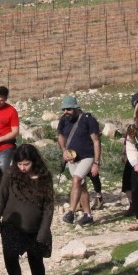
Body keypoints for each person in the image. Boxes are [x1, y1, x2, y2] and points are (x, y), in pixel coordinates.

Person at [0, 145, 54, 275]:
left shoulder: (44, 178)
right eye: (20, 164)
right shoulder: (11, 175)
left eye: (26, 164)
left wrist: (44, 231)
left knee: (36, 261)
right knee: (10, 258)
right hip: (12, 224)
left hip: (35, 227)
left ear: (34, 161)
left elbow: (49, 206)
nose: (23, 168)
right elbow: (1, 197)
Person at [57, 95, 101, 226]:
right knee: (81, 185)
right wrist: (64, 150)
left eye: (69, 109)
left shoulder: (88, 119)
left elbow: (96, 141)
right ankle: (88, 215)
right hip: (72, 158)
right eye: (64, 109)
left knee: (76, 179)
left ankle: (71, 212)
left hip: (87, 156)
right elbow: (60, 135)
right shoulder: (64, 120)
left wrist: (96, 163)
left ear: (76, 108)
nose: (66, 112)